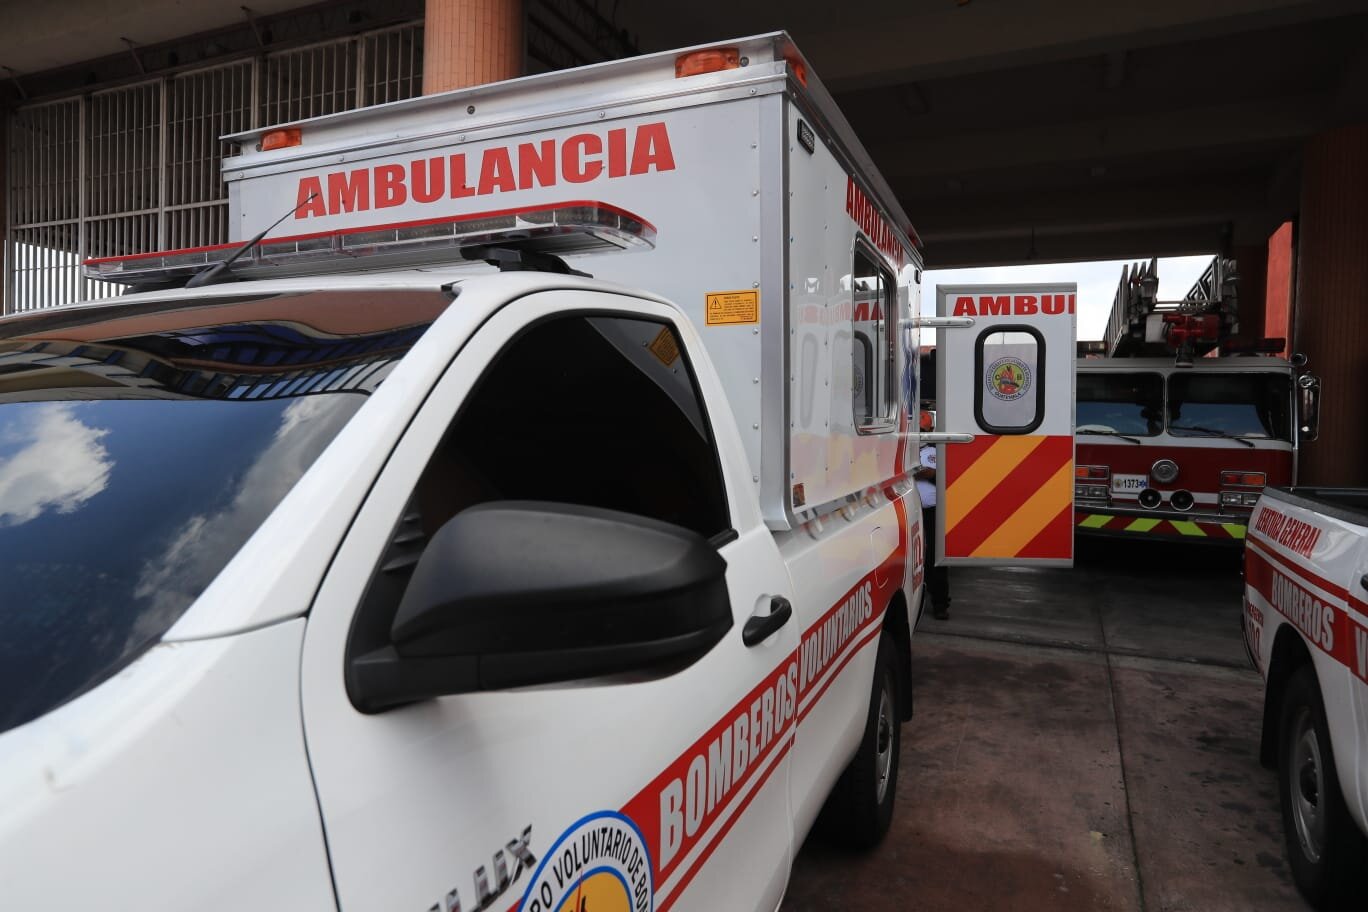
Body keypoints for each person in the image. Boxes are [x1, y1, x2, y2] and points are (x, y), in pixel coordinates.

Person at [914, 410, 950, 619]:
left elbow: (946, 476)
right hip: (910, 514)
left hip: (933, 514)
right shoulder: (902, 450)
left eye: (922, 431)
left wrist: (931, 473)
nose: (919, 435)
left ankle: (940, 604)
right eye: (915, 431)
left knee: (935, 560)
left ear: (930, 430)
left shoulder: (939, 450)